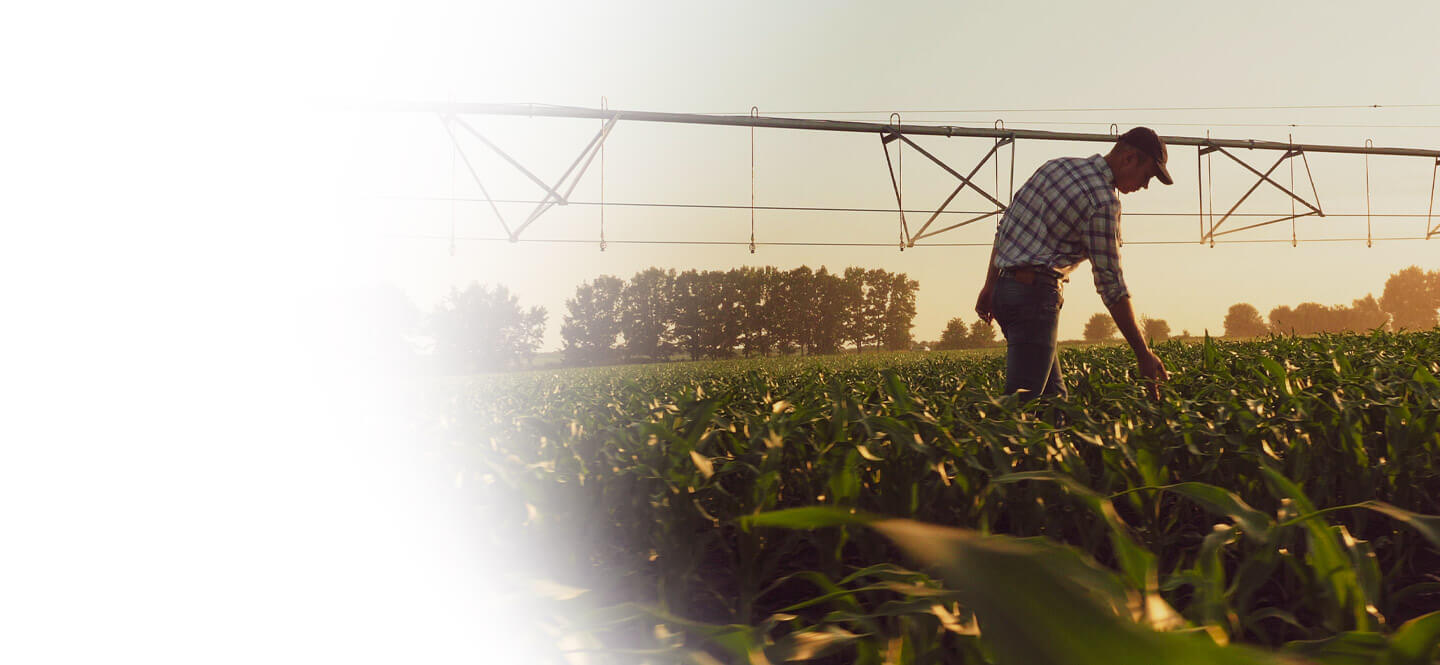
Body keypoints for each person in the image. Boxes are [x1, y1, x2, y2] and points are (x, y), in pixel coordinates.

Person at [974, 127, 1172, 402]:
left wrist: (990, 286)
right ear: (1128, 159)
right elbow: (1111, 285)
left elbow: (1006, 228)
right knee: (1020, 410)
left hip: (1006, 292)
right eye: (1148, 175)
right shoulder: (1102, 202)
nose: (1145, 185)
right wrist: (1143, 353)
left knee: (1054, 404)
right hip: (1034, 298)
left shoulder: (1057, 168)